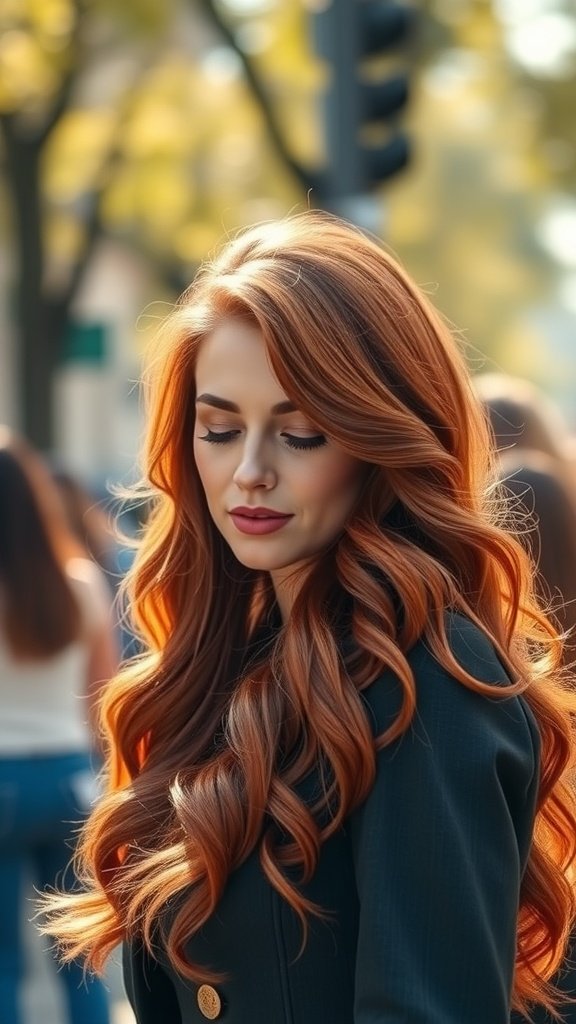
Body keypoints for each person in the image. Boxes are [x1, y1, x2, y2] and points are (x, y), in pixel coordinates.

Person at [40, 211, 576, 1023]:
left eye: (300, 433)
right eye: (219, 429)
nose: (249, 472)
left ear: (378, 438)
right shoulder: (221, 664)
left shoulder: (430, 679)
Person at [0, 429, 118, 1024]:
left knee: (2, 965)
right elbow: (106, 697)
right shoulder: (79, 585)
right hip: (71, 780)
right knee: (80, 952)